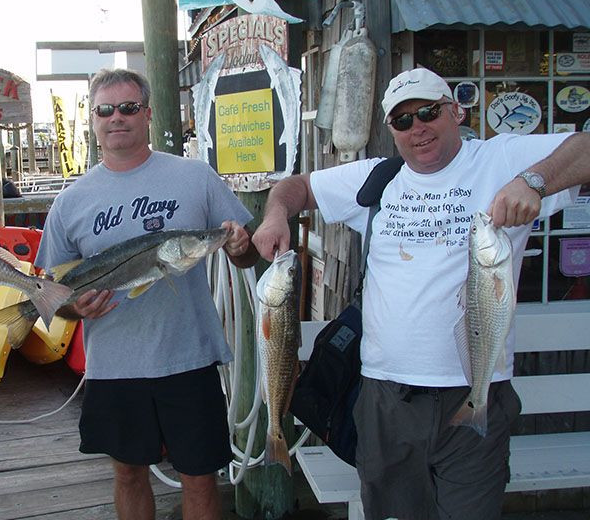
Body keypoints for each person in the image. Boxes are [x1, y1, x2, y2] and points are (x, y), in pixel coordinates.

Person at [252, 67, 590, 520]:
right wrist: (277, 216)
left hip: (475, 391)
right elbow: (297, 188)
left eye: (429, 112)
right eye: (403, 120)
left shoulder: (501, 160)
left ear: (455, 111)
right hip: (385, 398)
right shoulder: (377, 178)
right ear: (391, 130)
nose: (419, 128)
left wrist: (534, 182)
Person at [35, 68, 258, 520]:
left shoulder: (196, 177)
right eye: (106, 110)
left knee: (200, 476)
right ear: (93, 119)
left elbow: (245, 255)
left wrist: (239, 246)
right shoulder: (70, 201)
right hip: (114, 366)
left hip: (189, 358)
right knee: (128, 474)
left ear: (148, 114)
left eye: (129, 108)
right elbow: (52, 290)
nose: (118, 118)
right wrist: (75, 307)